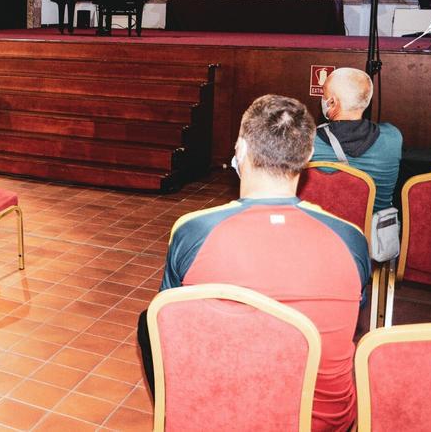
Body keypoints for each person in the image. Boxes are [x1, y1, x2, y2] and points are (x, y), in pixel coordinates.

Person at [139, 95, 370, 432]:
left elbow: (168, 317)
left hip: (216, 414)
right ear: (307, 156)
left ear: (240, 150)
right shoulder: (351, 240)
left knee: (149, 320)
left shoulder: (193, 230)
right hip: (316, 421)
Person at [313, 67, 403, 214]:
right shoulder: (393, 137)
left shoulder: (309, 141)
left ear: (333, 103)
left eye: (324, 95)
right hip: (372, 233)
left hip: (328, 230)